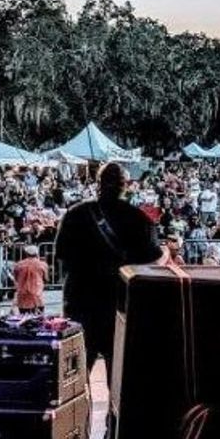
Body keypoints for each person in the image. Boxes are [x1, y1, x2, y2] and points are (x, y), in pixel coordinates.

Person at [54, 162, 164, 382]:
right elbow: (153, 257)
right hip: (120, 306)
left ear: (98, 184)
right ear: (125, 186)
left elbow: (60, 253)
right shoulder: (137, 218)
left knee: (75, 380)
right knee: (119, 382)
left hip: (80, 305)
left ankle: (80, 417)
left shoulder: (76, 214)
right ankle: (114, 418)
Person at [12, 244, 48, 315]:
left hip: (22, 298)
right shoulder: (42, 264)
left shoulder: (18, 265)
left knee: (23, 318)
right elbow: (46, 279)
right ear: (37, 253)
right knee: (38, 319)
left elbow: (16, 278)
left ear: (26, 254)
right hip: (37, 298)